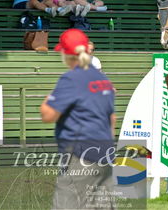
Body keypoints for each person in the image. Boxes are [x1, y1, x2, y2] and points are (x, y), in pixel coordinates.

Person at [40, 28, 116, 209]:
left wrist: (49, 97)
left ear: (66, 54)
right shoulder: (103, 79)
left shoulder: (71, 79)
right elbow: (111, 119)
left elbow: (48, 115)